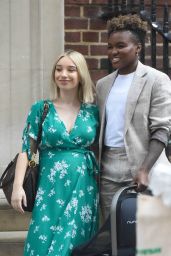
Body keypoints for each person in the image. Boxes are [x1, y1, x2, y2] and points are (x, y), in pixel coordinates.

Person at [11, 50, 100, 255]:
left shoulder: (92, 111)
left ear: (81, 75)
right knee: (44, 241)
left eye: (71, 69)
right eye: (58, 69)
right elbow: (26, 149)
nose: (63, 74)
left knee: (76, 242)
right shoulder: (41, 109)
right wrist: (17, 187)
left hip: (83, 186)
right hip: (50, 188)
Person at [96, 14, 171, 220]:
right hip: (108, 171)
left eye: (120, 46)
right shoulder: (103, 85)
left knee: (149, 239)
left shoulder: (157, 80)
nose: (113, 52)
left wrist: (144, 169)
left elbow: (161, 129)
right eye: (110, 46)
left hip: (147, 167)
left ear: (137, 47)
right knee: (114, 234)